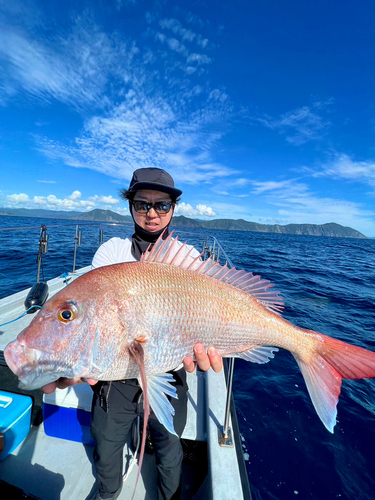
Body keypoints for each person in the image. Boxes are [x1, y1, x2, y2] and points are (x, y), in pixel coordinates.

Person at [42, 167, 223, 500]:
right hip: (116, 379)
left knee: (169, 444)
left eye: (161, 205)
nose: (151, 213)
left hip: (168, 370)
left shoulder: (188, 258)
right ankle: (108, 493)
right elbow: (95, 320)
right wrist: (71, 364)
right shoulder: (111, 254)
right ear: (130, 207)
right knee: (106, 442)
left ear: (173, 209)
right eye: (142, 204)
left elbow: (202, 316)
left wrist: (210, 341)